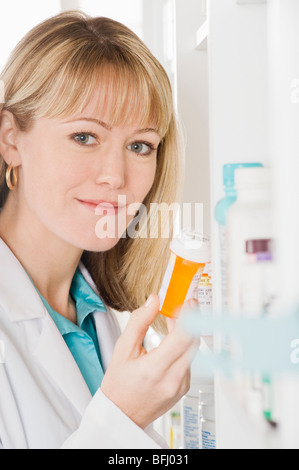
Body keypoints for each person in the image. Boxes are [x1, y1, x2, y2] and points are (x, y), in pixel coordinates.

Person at [0, 11, 197, 449]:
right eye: (85, 137)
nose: (116, 176)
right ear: (10, 138)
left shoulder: (99, 314)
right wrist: (122, 417)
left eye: (139, 145)